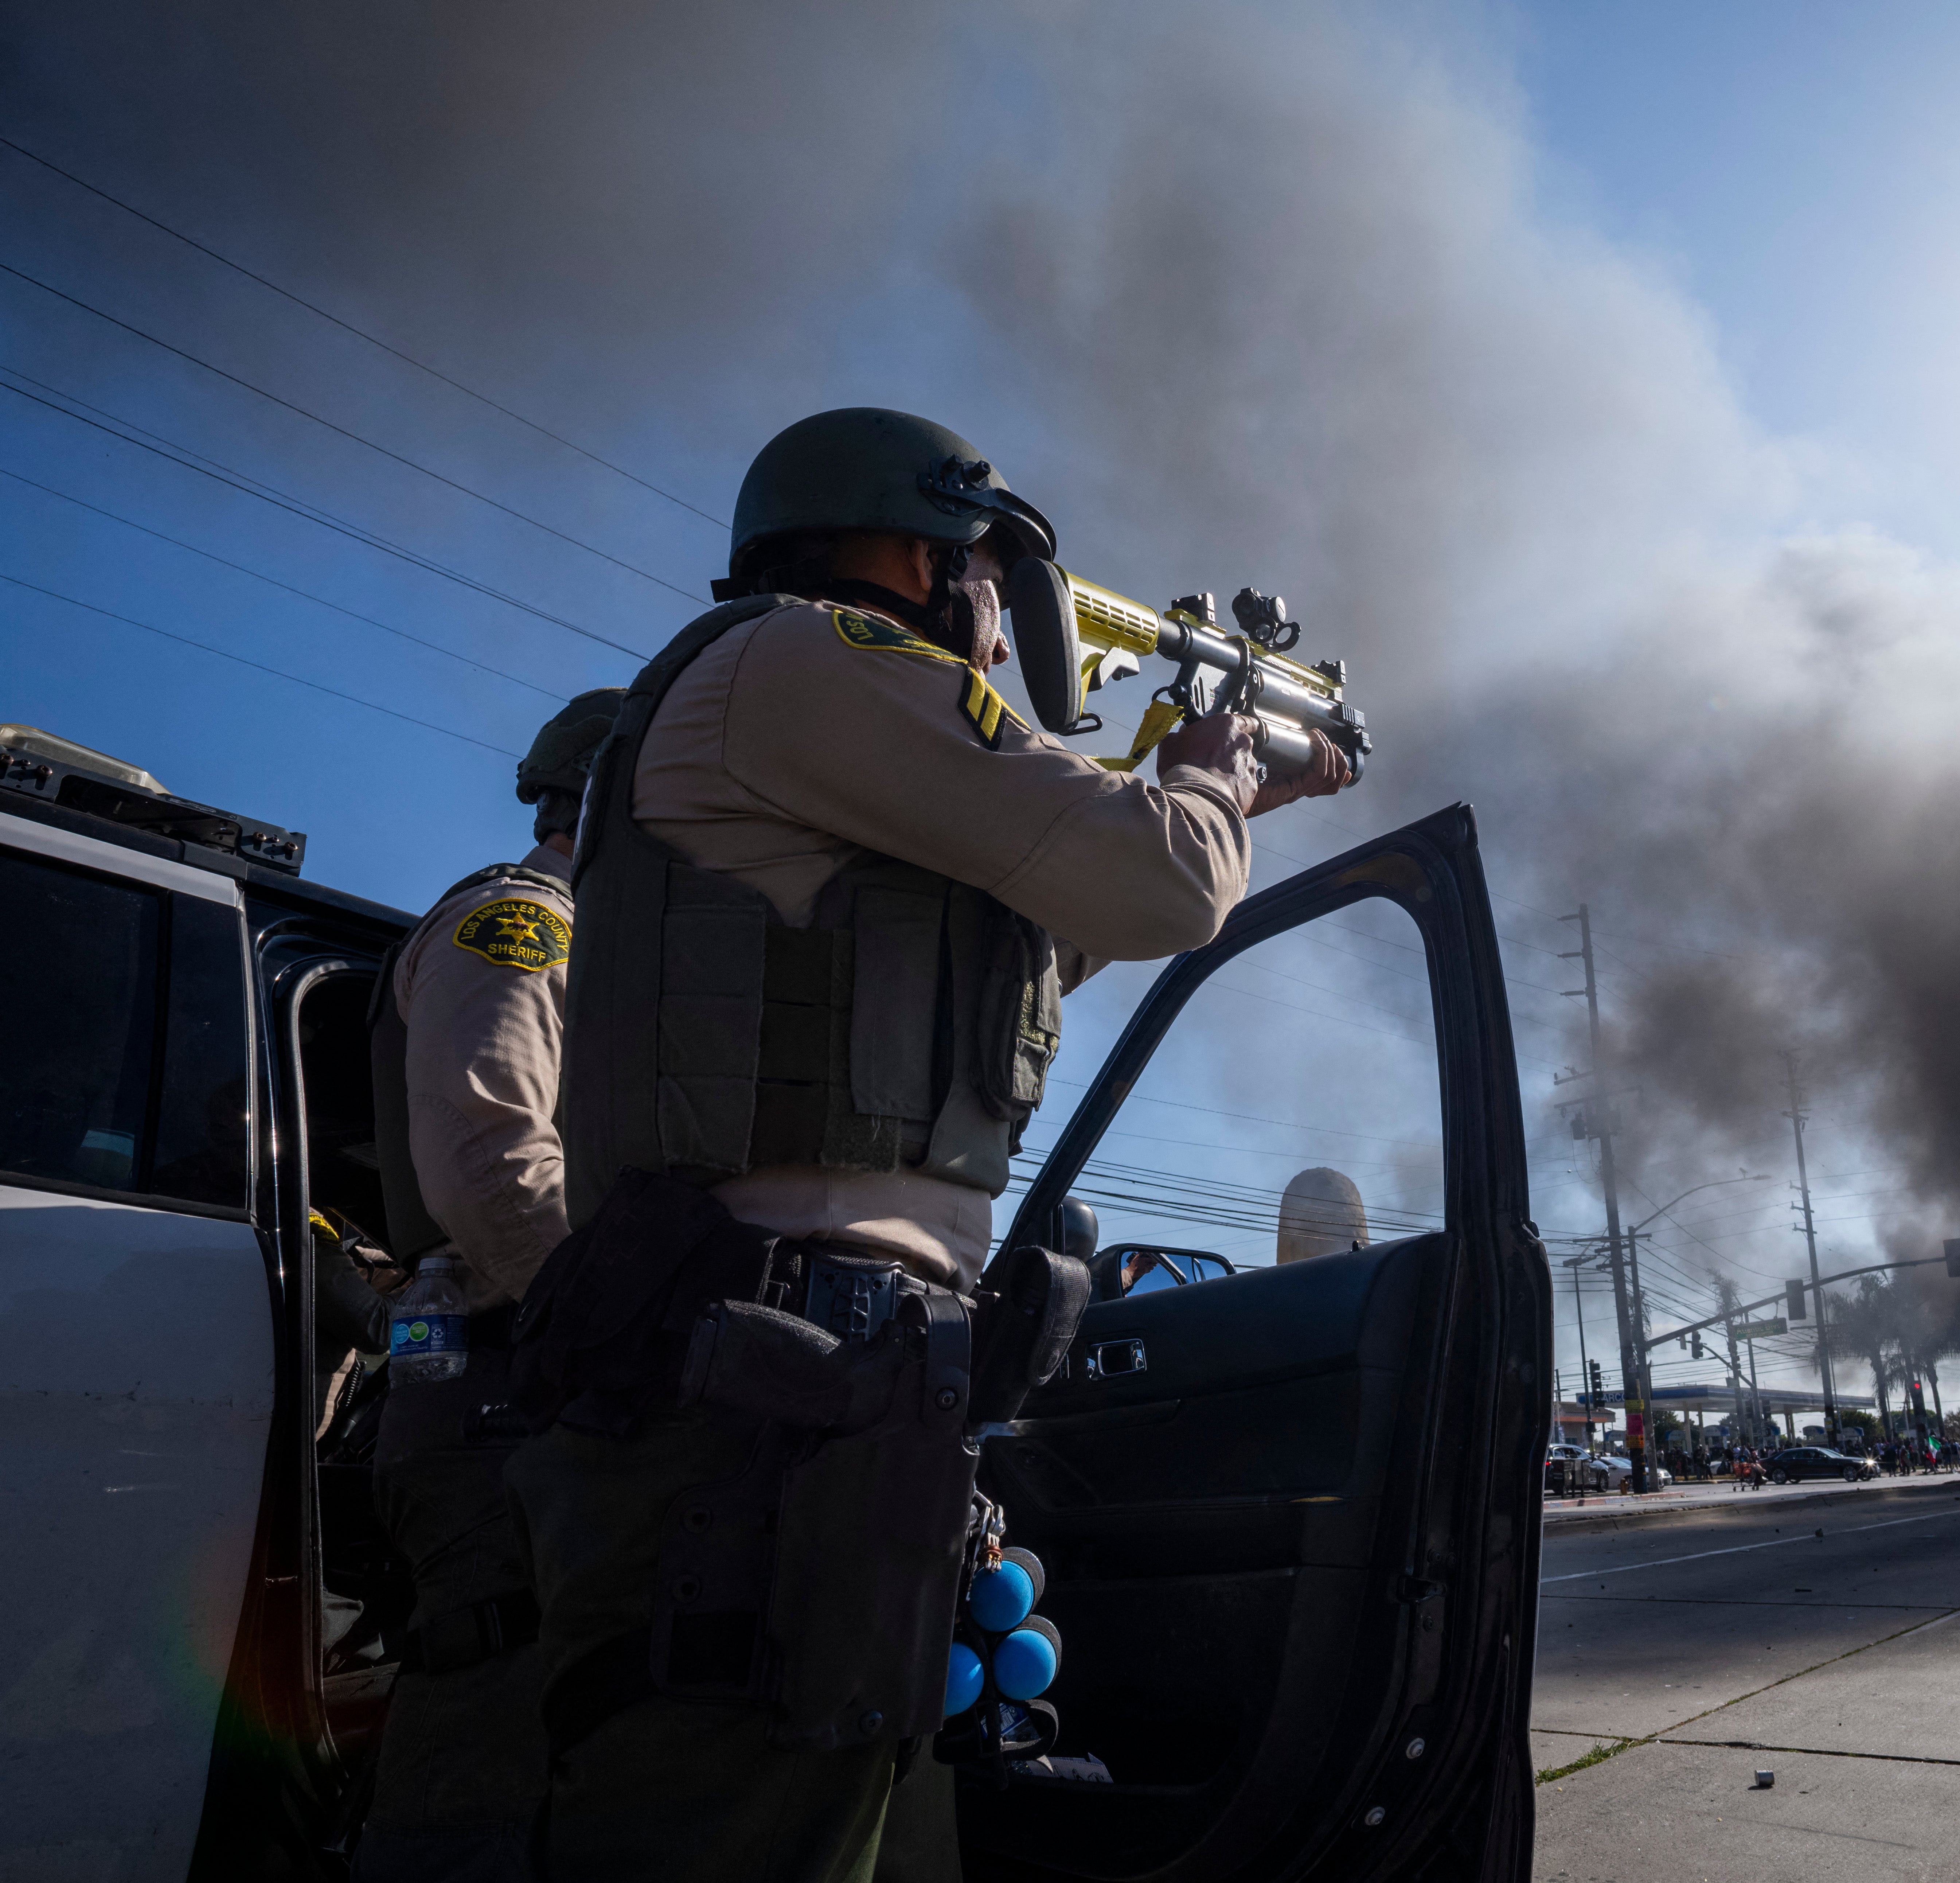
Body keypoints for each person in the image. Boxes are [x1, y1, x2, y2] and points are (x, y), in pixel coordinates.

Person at [503, 409, 1347, 1883]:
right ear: (919, 549)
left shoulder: (807, 713)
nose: (989, 614)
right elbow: (1158, 882)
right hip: (761, 1390)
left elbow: (1024, 952)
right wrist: (1205, 778)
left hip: (825, 1394)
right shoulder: (813, 655)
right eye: (981, 575)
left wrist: (1222, 795)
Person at [356, 687, 621, 1880]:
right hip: (494, 1378)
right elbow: (493, 1163)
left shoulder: (601, 948)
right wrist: (634, 1337)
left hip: (524, 1377)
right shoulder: (526, 924)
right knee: (486, 1712)